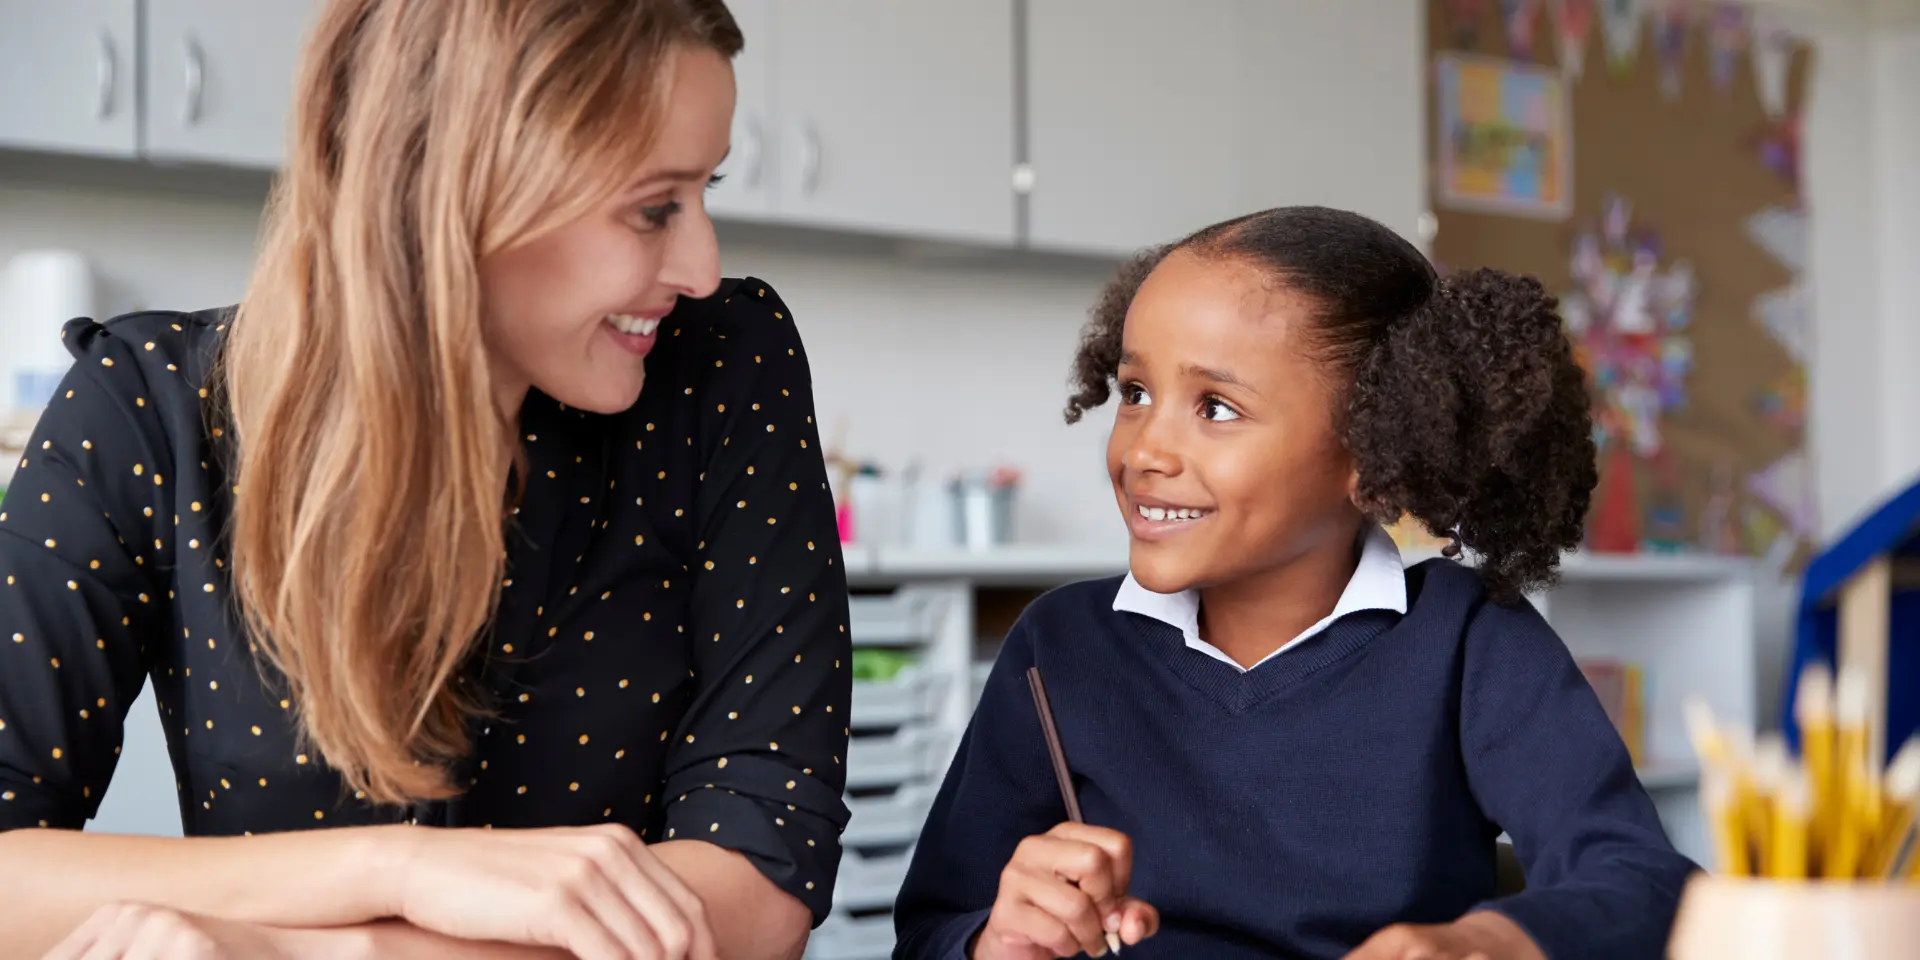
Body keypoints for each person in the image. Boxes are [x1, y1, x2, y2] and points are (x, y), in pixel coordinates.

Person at [0, 2, 852, 957]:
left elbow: (761, 879)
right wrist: (394, 868)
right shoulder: (143, 408)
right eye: (655, 208)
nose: (702, 265)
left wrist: (307, 950)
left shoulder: (725, 367)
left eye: (707, 192)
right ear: (458, 187)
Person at [891, 207, 1699, 960]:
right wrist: (995, 940)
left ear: (1377, 458)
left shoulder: (1468, 644)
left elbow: (1646, 882)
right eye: (1135, 394)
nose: (1144, 450)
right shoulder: (1060, 646)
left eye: (1215, 408)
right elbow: (930, 928)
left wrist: (1485, 941)